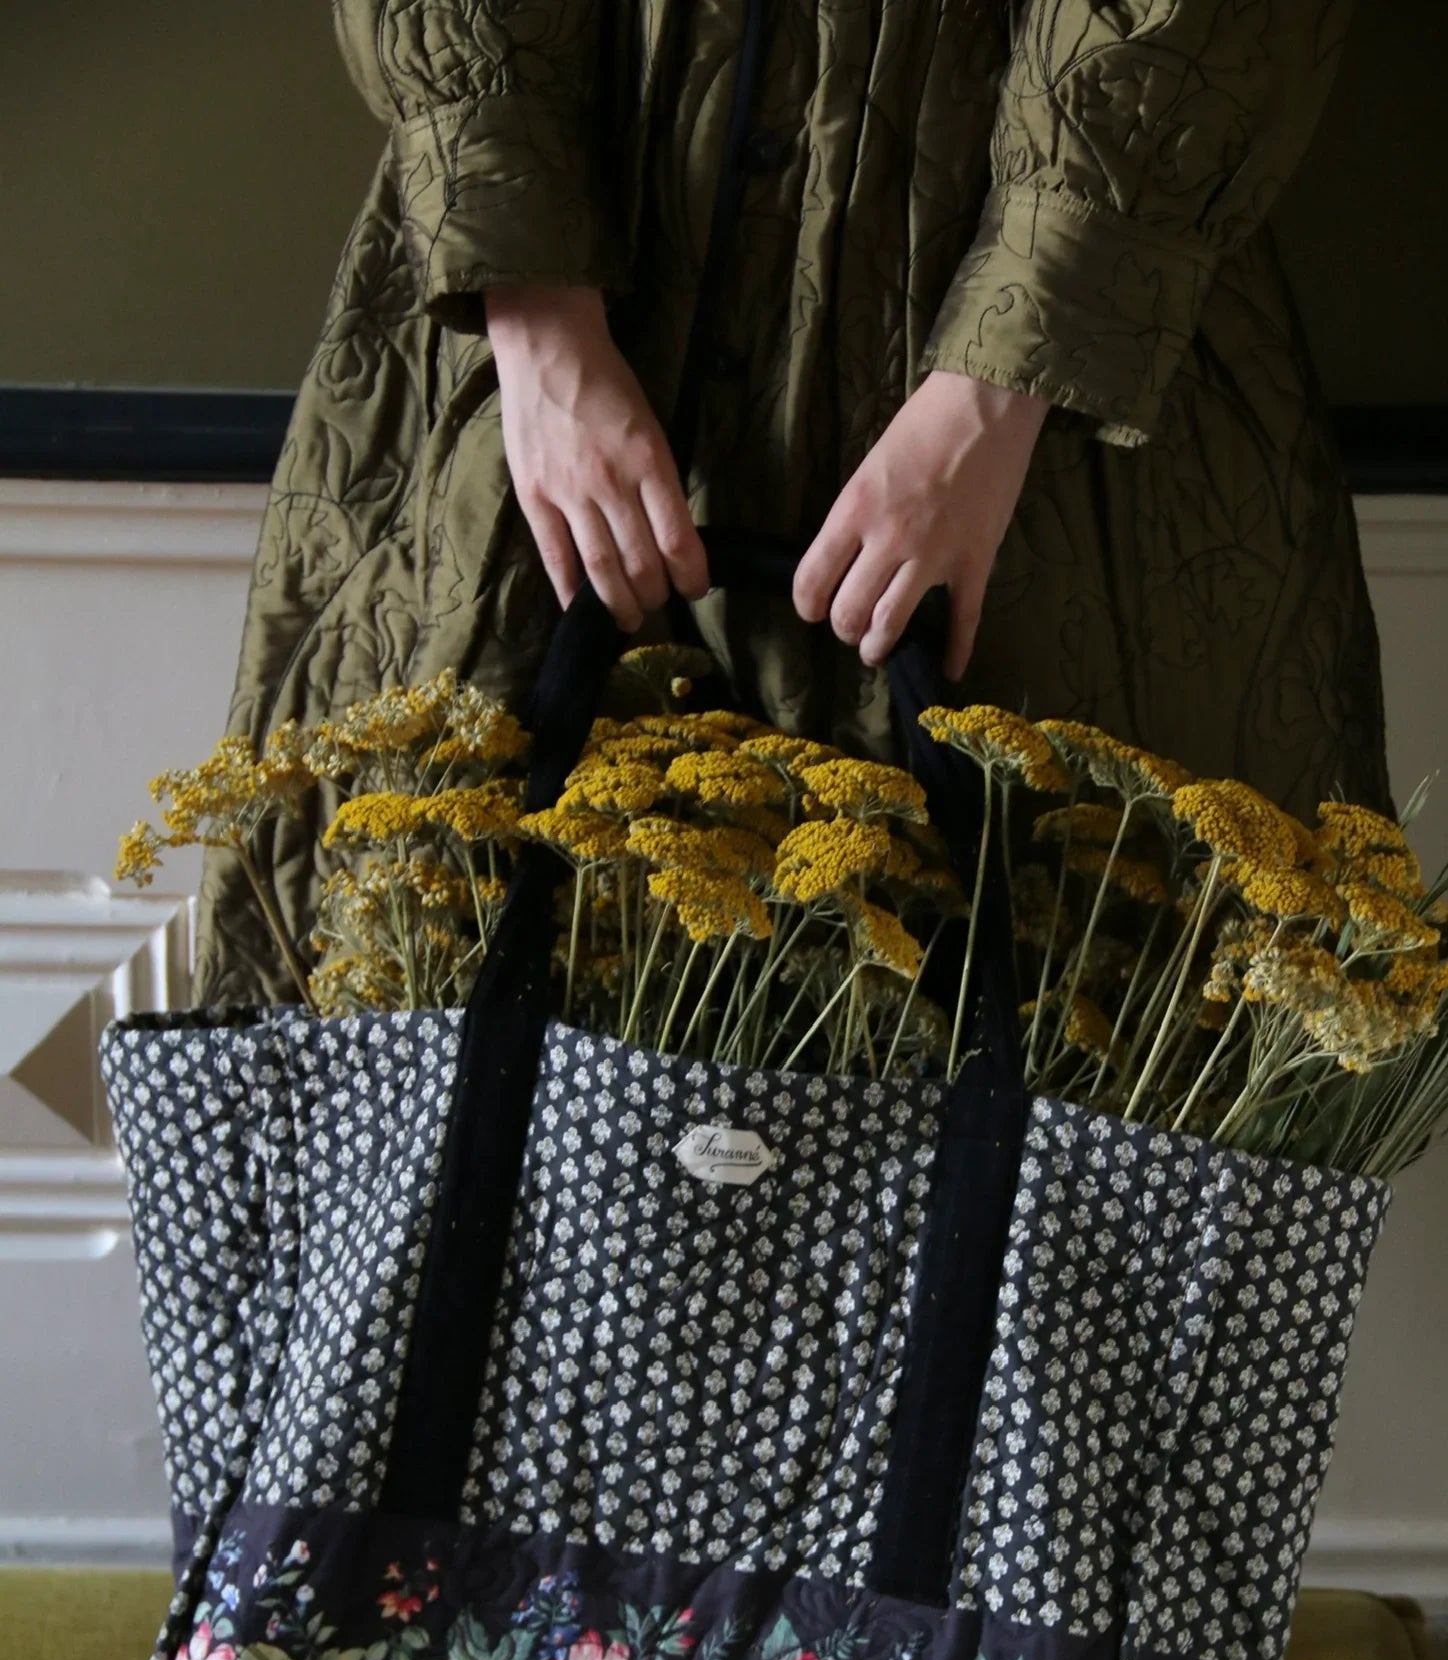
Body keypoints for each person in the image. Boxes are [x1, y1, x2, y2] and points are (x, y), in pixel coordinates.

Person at [191, 0, 1394, 1008]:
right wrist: (538, 318)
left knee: (1066, 1088)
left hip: (1061, 442)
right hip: (539, 374)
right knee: (431, 1021)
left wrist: (997, 386)